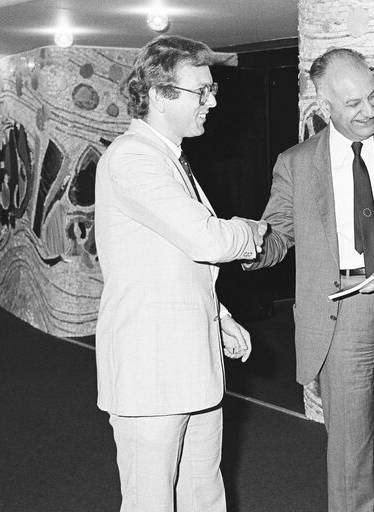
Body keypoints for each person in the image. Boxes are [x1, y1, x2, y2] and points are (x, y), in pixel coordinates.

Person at [244, 48, 374, 511]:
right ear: (323, 106)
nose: (369, 111)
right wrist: (242, 245)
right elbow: (277, 235)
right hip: (339, 312)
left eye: (373, 96)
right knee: (346, 449)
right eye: (352, 104)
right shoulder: (296, 163)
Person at [94, 35, 266, 512]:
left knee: (202, 494)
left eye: (212, 91)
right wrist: (251, 231)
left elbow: (172, 261)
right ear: (157, 94)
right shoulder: (132, 158)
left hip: (191, 364)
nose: (212, 101)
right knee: (151, 502)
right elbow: (207, 239)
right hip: (150, 374)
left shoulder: (171, 159)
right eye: (202, 91)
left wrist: (220, 316)